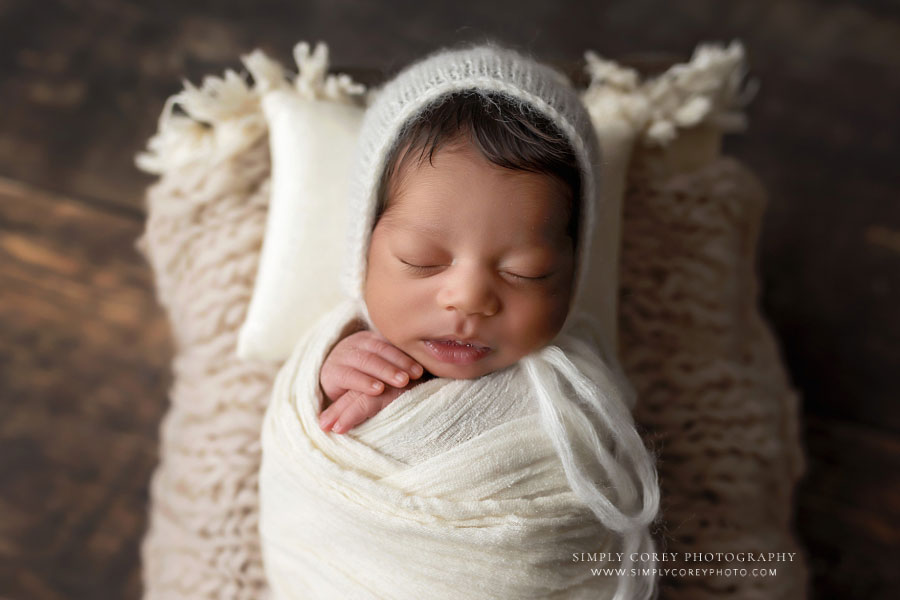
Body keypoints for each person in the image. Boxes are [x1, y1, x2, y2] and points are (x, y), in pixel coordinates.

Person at [318, 89, 582, 435]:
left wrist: (426, 418)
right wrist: (327, 385)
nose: (469, 299)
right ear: (362, 251)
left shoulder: (578, 383)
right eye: (422, 260)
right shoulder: (344, 350)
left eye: (525, 272)